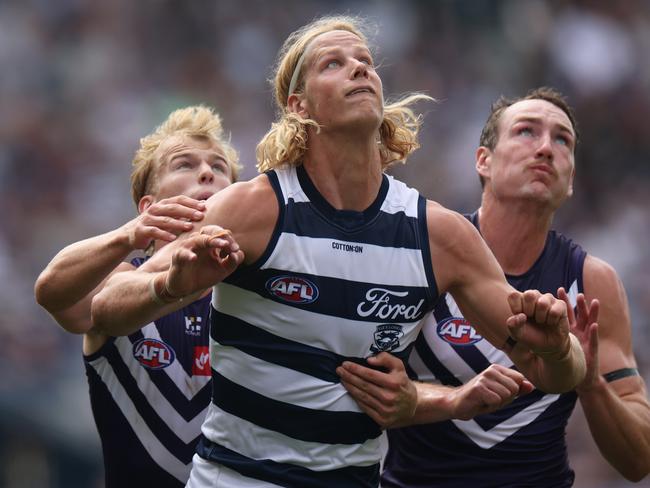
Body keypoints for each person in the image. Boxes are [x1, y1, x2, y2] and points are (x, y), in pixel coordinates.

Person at [91, 17, 586, 488]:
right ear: (299, 106)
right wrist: (168, 284)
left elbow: (554, 373)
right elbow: (108, 305)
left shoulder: (438, 234)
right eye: (333, 63)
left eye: (366, 61)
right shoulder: (252, 208)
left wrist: (557, 345)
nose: (360, 68)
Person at [337, 87, 650, 486]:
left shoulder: (591, 282)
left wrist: (589, 382)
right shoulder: (425, 252)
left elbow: (639, 458)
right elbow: (360, 385)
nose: (545, 148)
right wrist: (451, 401)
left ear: (570, 180)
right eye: (525, 132)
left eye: (562, 139)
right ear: (483, 161)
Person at [34, 105, 242, 487]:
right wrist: (129, 235)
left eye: (219, 166)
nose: (207, 172)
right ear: (149, 206)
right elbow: (53, 294)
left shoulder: (251, 296)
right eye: (184, 165)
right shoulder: (119, 283)